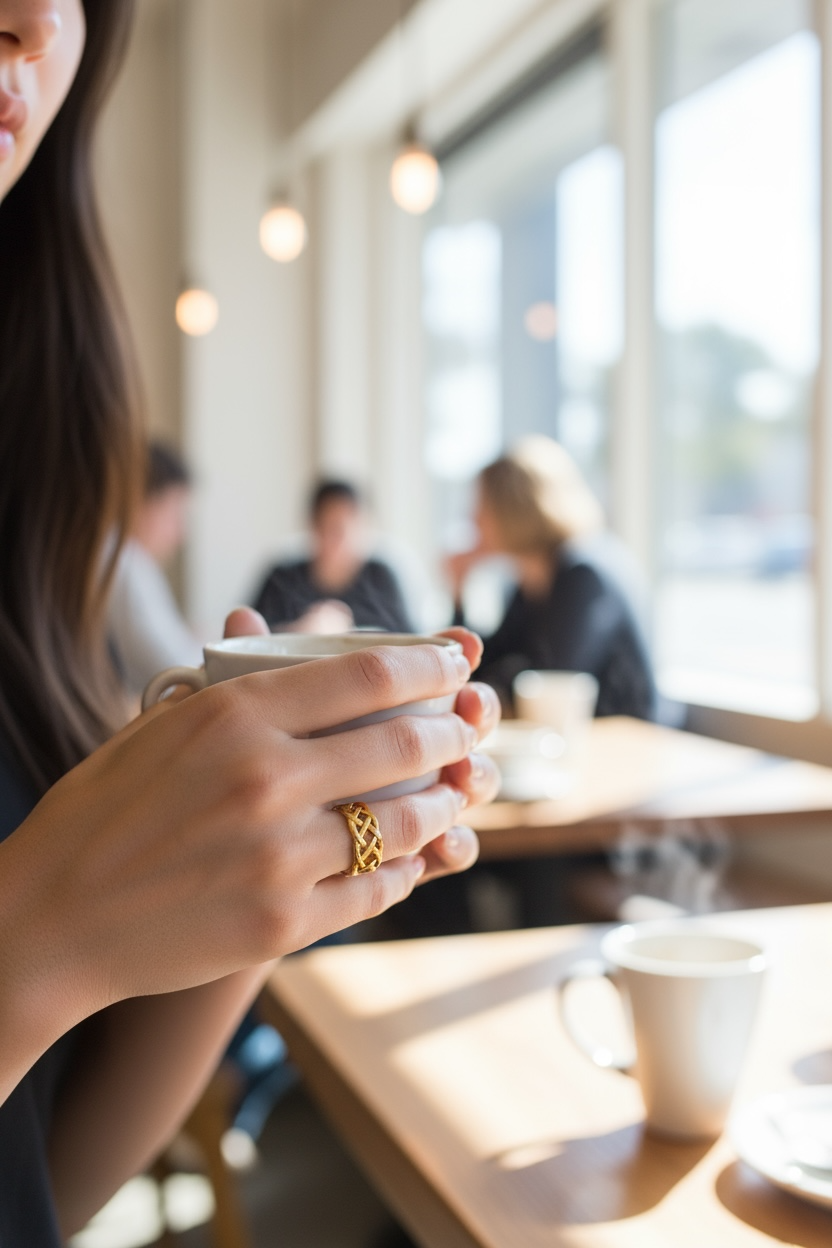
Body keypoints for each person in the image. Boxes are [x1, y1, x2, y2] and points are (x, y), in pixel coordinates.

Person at [0, 4, 499, 1243]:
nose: (32, 19)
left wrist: (267, 891)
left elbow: (44, 1182)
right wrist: (38, 931)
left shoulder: (23, 527)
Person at [446, 436, 656, 720]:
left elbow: (551, 682)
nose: (472, 519)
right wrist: (459, 595)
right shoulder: (531, 580)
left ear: (514, 510)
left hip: (624, 738)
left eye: (483, 506)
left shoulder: (584, 576)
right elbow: (482, 666)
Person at [253, 479, 414, 634]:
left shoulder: (380, 578)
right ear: (313, 525)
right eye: (332, 528)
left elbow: (411, 641)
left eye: (353, 528)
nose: (343, 540)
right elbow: (250, 638)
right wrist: (300, 631)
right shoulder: (282, 580)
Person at [108, 440, 203, 698]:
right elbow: (178, 670)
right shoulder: (126, 564)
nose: (181, 534)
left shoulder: (125, 560)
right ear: (138, 499)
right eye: (175, 513)